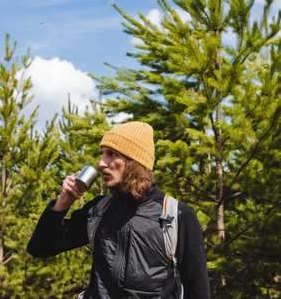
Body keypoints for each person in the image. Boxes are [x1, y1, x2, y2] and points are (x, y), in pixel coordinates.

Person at [27, 121, 211, 298]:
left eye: (111, 154)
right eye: (103, 154)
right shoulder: (99, 210)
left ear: (134, 161)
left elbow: (198, 291)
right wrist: (62, 203)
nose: (101, 163)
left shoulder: (176, 216)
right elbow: (40, 248)